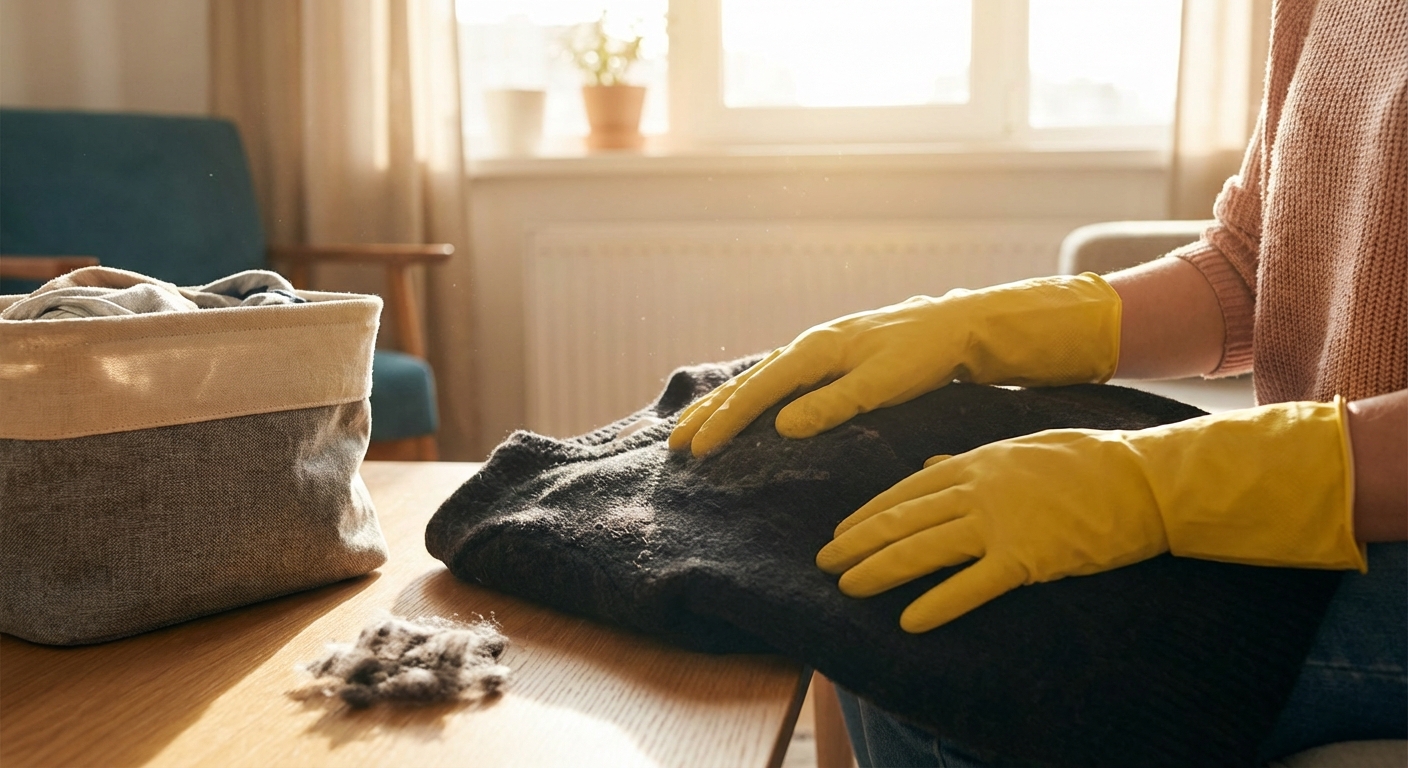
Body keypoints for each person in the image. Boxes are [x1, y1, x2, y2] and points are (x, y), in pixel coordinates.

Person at [668, 1, 1406, 764]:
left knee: (953, 654)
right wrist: (974, 328)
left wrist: (1150, 486)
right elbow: (1256, 263)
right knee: (875, 539)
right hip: (1326, 503)